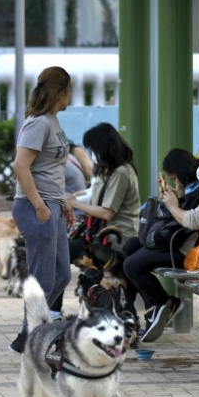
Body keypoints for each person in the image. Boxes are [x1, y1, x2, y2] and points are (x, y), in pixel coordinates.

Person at [8, 66, 76, 354]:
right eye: (69, 90)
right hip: (37, 206)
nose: (71, 95)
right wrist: (39, 204)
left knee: (61, 274)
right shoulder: (38, 124)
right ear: (60, 92)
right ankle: (33, 338)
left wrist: (63, 202)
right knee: (44, 279)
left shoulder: (52, 121)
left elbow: (51, 169)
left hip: (52, 204)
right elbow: (20, 166)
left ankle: (29, 334)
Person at [51, 122, 141, 318]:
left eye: (93, 149)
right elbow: (93, 195)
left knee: (61, 252)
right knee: (60, 251)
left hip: (117, 238)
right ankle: (55, 310)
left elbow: (107, 212)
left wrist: (75, 204)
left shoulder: (121, 173)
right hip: (100, 235)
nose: (92, 154)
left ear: (103, 148)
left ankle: (54, 311)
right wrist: (73, 198)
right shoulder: (107, 171)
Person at [122, 148, 199, 343]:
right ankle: (129, 310)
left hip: (189, 252)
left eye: (174, 177)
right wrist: (178, 193)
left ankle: (163, 303)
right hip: (178, 244)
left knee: (131, 265)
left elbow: (193, 221)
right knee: (131, 246)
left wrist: (173, 205)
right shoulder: (195, 188)